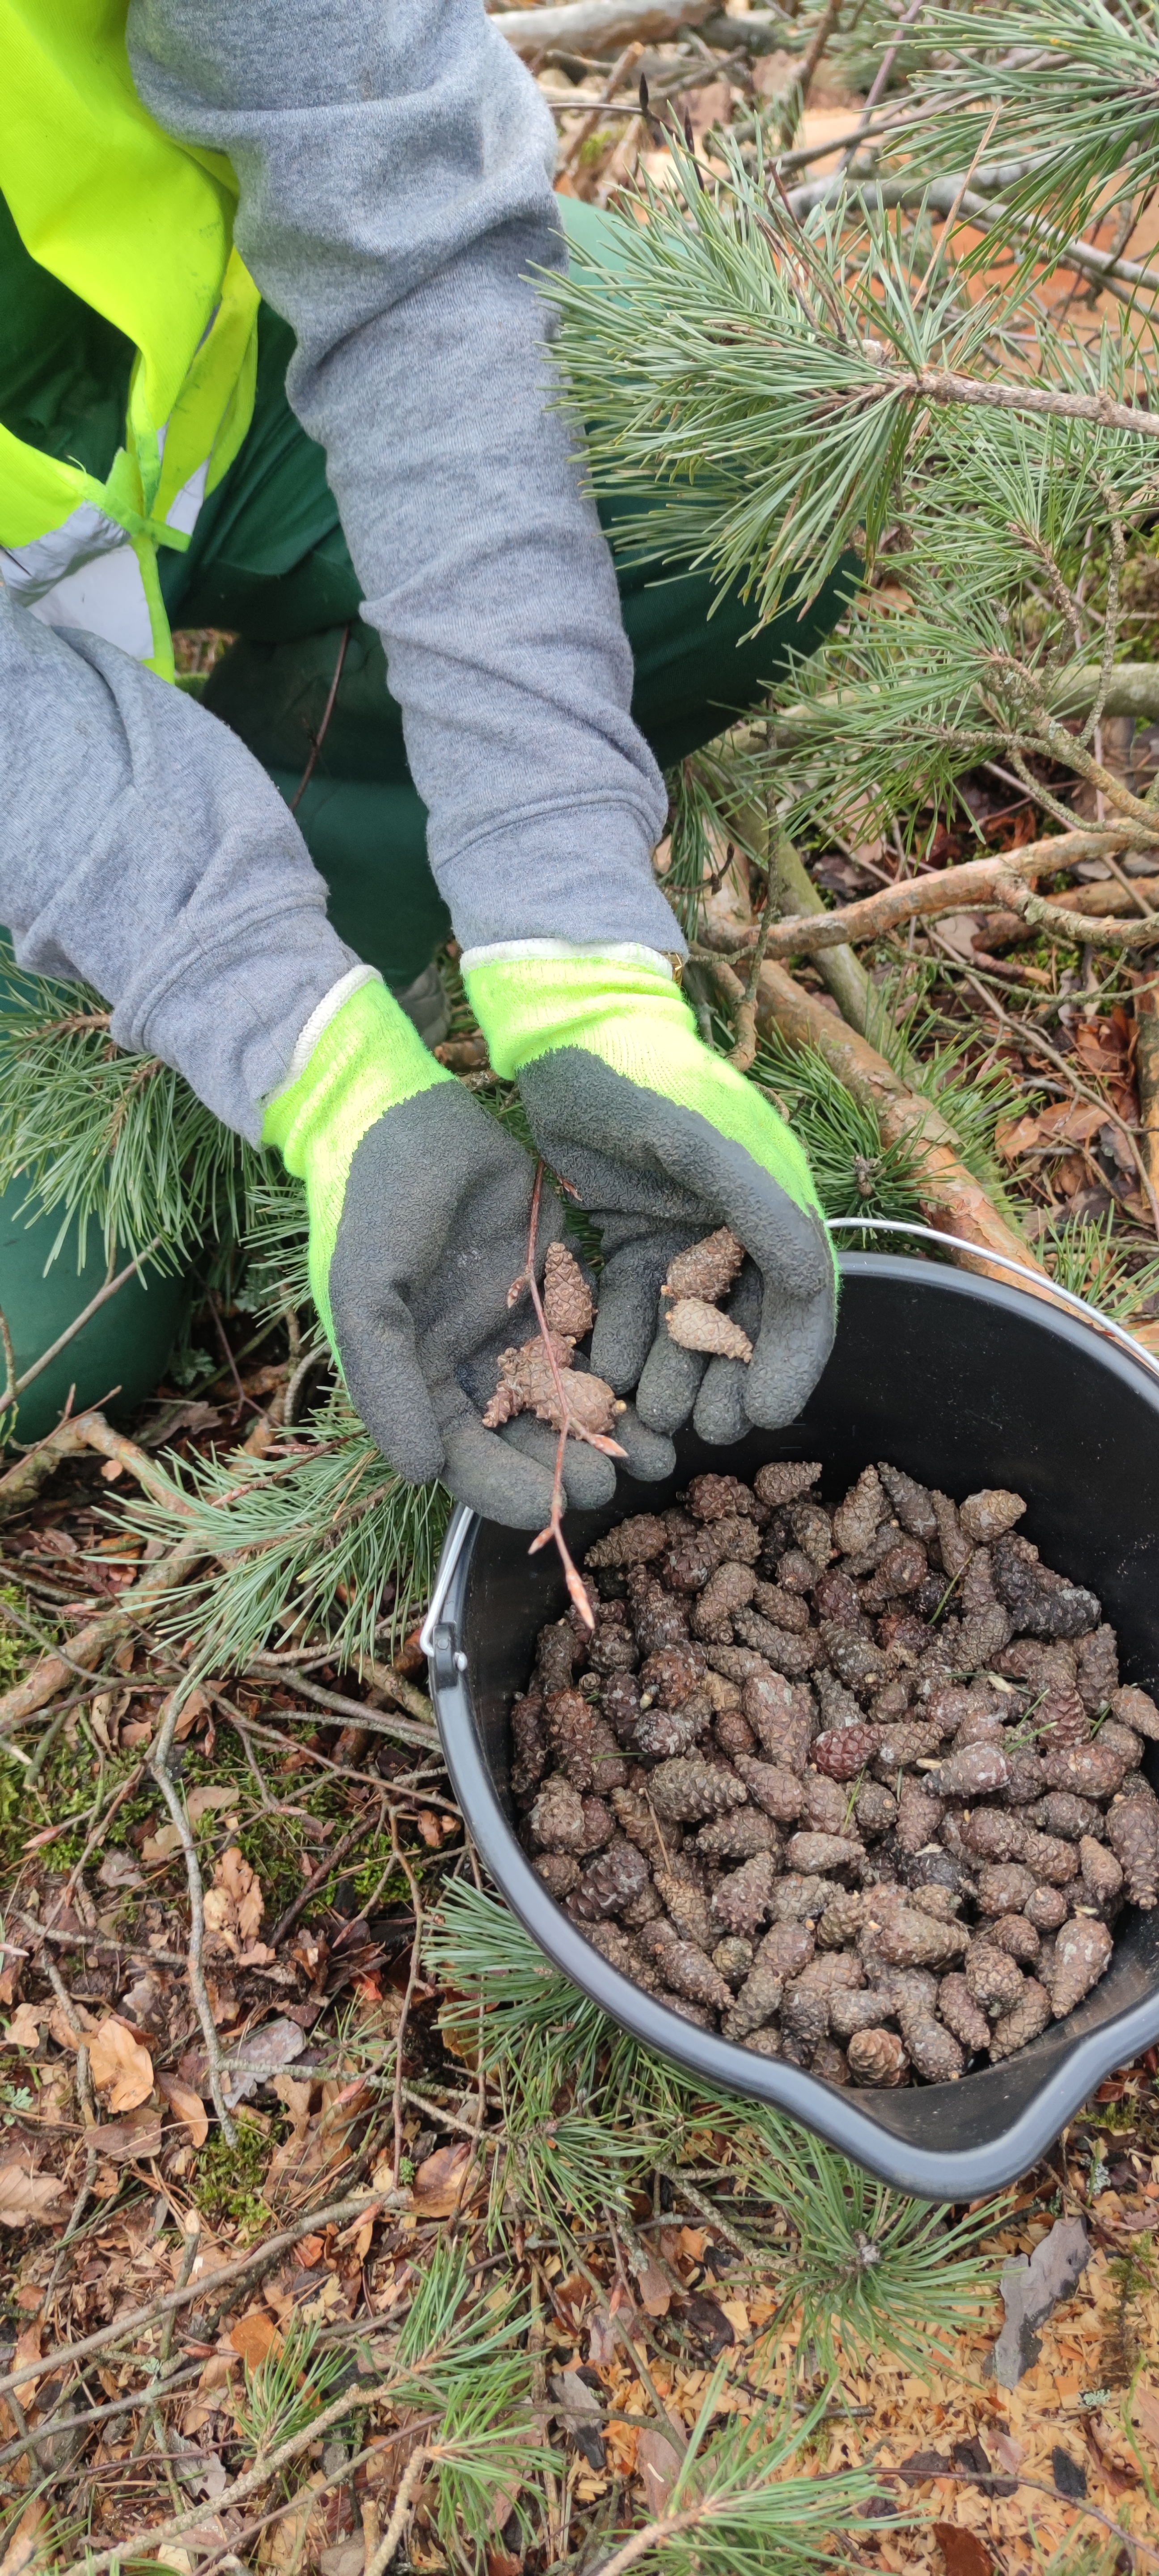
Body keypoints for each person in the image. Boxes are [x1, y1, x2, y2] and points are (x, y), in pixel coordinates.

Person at [0, 0, 846, 1527]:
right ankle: (185, 1002)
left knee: (750, 453)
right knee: (36, 1346)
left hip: (211, 388)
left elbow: (410, 232)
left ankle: (342, 854)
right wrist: (303, 1052)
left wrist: (572, 937)